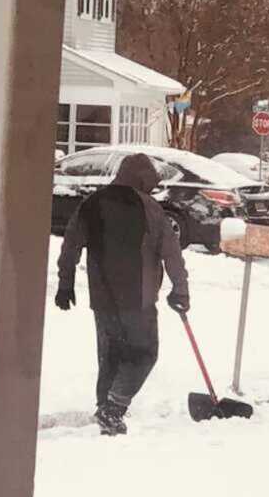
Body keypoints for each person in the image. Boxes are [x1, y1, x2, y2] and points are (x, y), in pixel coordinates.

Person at [55, 153, 190, 436]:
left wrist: (65, 283)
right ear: (143, 179)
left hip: (102, 298)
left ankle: (107, 412)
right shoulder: (150, 208)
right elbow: (171, 253)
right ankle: (112, 409)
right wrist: (180, 289)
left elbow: (71, 243)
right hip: (137, 299)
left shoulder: (93, 202)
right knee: (144, 354)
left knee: (110, 355)